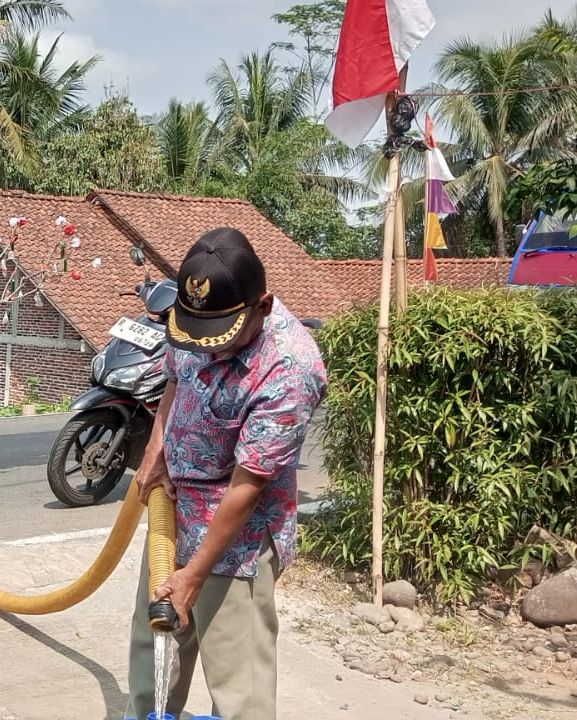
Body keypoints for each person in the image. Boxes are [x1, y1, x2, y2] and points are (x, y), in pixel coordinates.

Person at [125, 227, 328, 720]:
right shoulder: (198, 318)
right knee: (152, 660)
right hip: (174, 519)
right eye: (196, 333)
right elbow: (176, 376)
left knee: (240, 691)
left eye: (221, 338)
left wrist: (193, 576)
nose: (206, 348)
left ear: (262, 306)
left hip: (236, 539)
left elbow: (248, 484)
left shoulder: (289, 369)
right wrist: (155, 450)